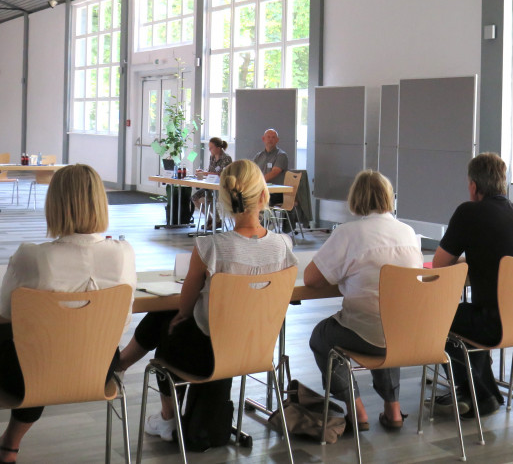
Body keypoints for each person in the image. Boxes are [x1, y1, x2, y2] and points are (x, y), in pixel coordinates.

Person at [118, 159, 297, 442]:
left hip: (208, 355)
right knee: (170, 322)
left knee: (169, 324)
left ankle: (166, 416)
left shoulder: (210, 247)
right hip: (258, 350)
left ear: (222, 200)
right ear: (265, 196)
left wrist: (181, 315)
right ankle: (125, 369)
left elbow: (186, 307)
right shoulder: (284, 246)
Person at [0, 164, 136, 464]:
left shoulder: (32, 256)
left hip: (30, 375)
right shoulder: (124, 252)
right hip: (98, 369)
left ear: (55, 204)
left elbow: (6, 311)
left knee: (24, 342)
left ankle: (10, 445)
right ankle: (9, 445)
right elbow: (125, 318)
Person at [305, 170, 422, 432]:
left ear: (356, 199)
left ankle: (356, 409)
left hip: (366, 333)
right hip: (405, 334)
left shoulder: (348, 233)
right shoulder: (408, 233)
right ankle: (393, 409)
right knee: (385, 319)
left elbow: (311, 279)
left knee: (322, 336)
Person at [432, 152, 513, 419]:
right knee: (467, 316)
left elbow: (439, 264)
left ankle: (477, 394)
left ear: (473, 186)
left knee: (440, 316)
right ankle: (481, 392)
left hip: (494, 323)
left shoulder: (468, 212)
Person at [192, 137, 233, 229]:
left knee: (208, 198)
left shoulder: (226, 158)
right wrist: (202, 172)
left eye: (211, 148)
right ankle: (210, 218)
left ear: (218, 148)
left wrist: (205, 173)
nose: (210, 150)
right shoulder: (212, 157)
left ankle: (217, 220)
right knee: (195, 198)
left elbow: (221, 174)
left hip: (222, 188)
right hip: (210, 186)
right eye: (209, 148)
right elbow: (210, 172)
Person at [253, 129, 288, 205]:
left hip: (276, 193)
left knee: (258, 199)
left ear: (277, 140)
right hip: (261, 190)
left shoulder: (281, 155)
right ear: (263, 139)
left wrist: (259, 182)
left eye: (273, 137)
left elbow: (275, 172)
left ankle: (261, 217)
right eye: (268, 137)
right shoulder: (259, 156)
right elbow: (252, 171)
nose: (270, 139)